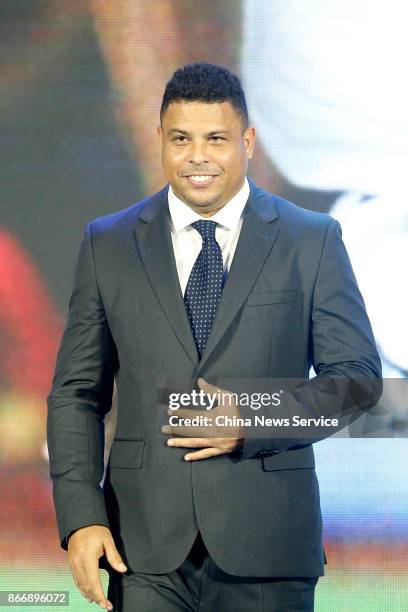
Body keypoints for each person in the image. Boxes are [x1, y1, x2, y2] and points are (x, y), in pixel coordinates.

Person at [47, 62, 381, 612]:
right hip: (144, 552)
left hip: (269, 550)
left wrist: (249, 422)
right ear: (161, 140)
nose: (197, 156)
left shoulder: (311, 240)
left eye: (216, 139)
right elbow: (76, 394)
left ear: (247, 142)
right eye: (181, 139)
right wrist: (82, 517)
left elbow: (357, 384)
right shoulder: (108, 244)